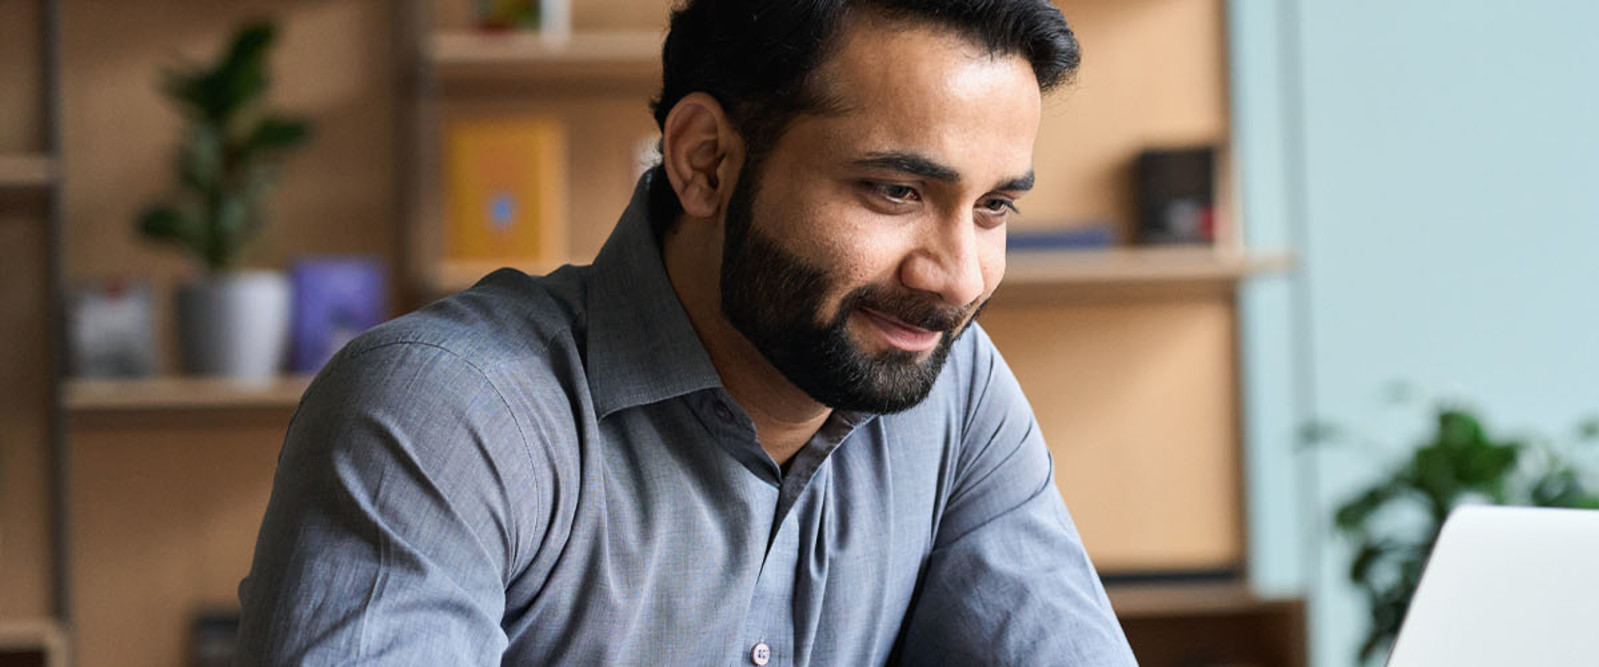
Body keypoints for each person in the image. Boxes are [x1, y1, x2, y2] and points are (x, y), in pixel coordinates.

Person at [236, 0, 1135, 664]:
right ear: (705, 160)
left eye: (993, 208)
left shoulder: (955, 390)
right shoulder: (452, 412)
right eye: (896, 192)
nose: (957, 277)